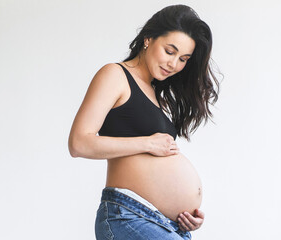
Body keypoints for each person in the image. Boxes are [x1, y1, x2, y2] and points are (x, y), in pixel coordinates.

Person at [68, 4, 219, 240]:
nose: (174, 64)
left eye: (183, 59)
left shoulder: (154, 92)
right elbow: (79, 143)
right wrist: (147, 144)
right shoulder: (115, 75)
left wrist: (186, 215)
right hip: (129, 216)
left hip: (166, 223)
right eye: (170, 51)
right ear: (148, 39)